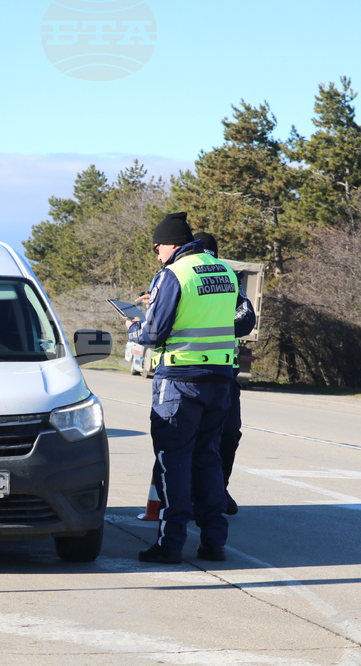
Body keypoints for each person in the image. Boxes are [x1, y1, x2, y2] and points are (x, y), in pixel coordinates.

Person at [126, 212, 241, 564]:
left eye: (157, 247)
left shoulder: (173, 274)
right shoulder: (224, 271)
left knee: (172, 462)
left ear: (171, 244)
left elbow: (155, 333)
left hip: (179, 383)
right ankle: (213, 542)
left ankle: (170, 544)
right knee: (208, 460)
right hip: (220, 381)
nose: (156, 253)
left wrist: (134, 328)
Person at [193, 232, 257, 515]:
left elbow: (246, 320)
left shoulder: (227, 278)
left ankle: (219, 489)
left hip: (224, 374)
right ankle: (184, 496)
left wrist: (214, 322)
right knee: (185, 439)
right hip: (185, 374)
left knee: (229, 434)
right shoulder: (180, 277)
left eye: (211, 253)